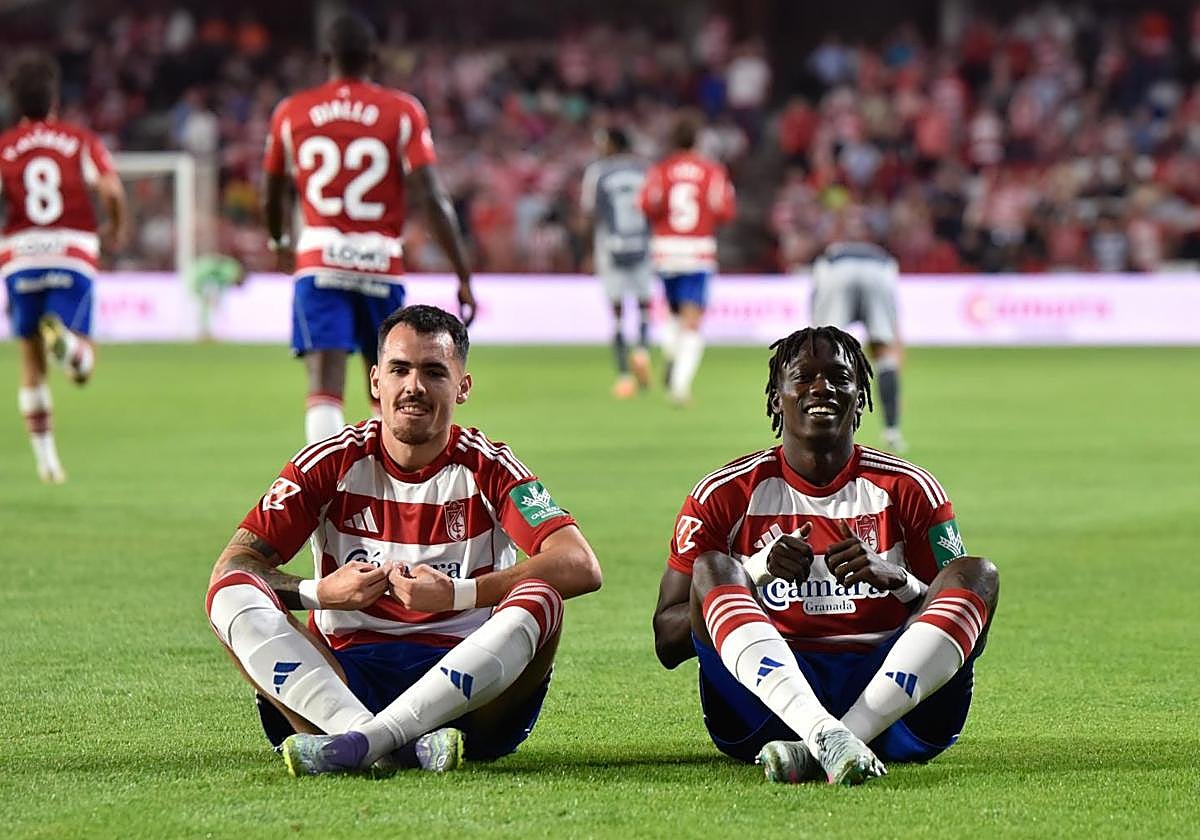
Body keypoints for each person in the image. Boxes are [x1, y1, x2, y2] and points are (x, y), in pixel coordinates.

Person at [205, 304, 602, 776]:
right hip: (339, 686)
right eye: (399, 369)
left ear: (462, 387)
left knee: (543, 597)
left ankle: (359, 745)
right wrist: (319, 592)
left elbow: (579, 564)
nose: (414, 386)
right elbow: (234, 567)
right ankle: (382, 739)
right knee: (229, 594)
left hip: (466, 693)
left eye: (434, 372)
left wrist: (457, 594)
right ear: (376, 381)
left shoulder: (491, 466)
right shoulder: (328, 462)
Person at [651, 326, 998, 785]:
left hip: (896, 703)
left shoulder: (910, 489)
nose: (822, 388)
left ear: (860, 396)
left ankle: (827, 742)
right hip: (767, 707)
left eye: (839, 377)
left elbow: (967, 635)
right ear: (777, 398)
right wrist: (753, 571)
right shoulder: (723, 494)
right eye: (803, 377)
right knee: (712, 567)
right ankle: (825, 734)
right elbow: (667, 641)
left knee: (978, 573)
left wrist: (900, 581)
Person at [263, 14, 476, 444]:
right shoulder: (402, 111)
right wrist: (462, 273)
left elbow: (272, 190)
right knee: (390, 382)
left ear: (326, 57)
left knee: (324, 385)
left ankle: (326, 484)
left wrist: (279, 240)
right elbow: (432, 196)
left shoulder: (292, 111)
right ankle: (394, 481)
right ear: (374, 58)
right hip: (380, 262)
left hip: (320, 259)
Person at [0, 51, 128, 483]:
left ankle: (47, 462)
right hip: (71, 251)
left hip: (20, 255)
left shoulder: (4, 147)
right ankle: (71, 347)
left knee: (30, 360)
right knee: (82, 369)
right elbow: (111, 189)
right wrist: (115, 227)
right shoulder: (79, 140)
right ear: (54, 98)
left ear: (15, 101)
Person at [639, 114, 735, 405]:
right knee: (692, 321)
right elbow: (725, 209)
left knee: (673, 313)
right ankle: (679, 386)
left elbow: (647, 205)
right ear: (697, 140)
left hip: (666, 250)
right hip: (697, 251)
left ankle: (671, 352)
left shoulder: (661, 170)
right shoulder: (712, 171)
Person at [810, 238, 906, 451]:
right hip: (879, 270)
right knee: (885, 355)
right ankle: (892, 432)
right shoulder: (883, 256)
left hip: (836, 270)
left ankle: (824, 430)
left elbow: (814, 318)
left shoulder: (825, 258)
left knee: (825, 353)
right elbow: (895, 325)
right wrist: (896, 353)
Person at [580, 127, 652, 399]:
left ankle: (624, 376)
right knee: (644, 306)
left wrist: (587, 251)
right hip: (642, 246)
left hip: (610, 247)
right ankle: (642, 352)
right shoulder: (644, 171)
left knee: (618, 311)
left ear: (613, 144)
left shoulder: (598, 172)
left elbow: (590, 212)